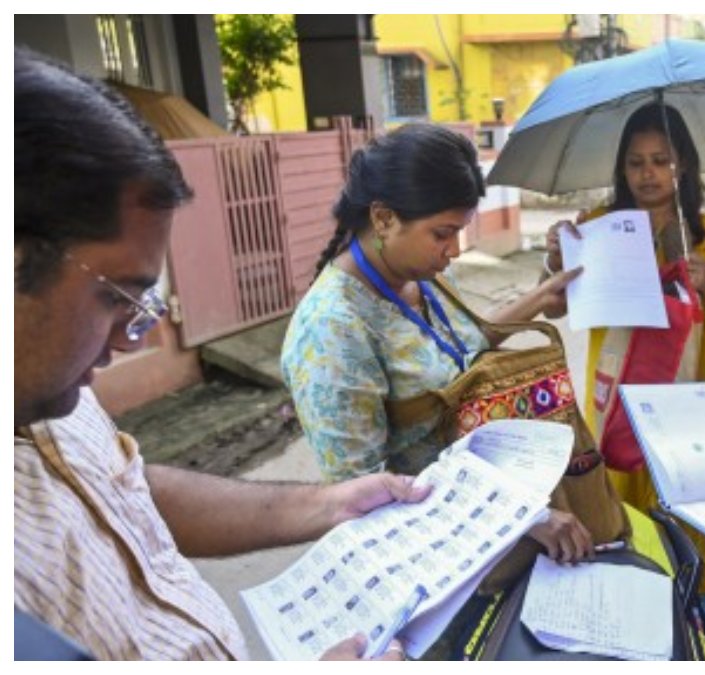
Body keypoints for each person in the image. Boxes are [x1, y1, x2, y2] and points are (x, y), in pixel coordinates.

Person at [13, 47, 428, 661]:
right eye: (115, 297)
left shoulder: (52, 397)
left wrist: (330, 503)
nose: (132, 337)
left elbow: (126, 489)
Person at [281, 124, 595, 571]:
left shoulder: (418, 277)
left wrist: (540, 297)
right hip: (435, 558)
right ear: (383, 219)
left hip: (495, 520)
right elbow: (363, 497)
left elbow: (460, 346)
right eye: (443, 233)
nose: (454, 250)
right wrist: (516, 516)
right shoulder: (333, 332)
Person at [542, 102, 705, 634]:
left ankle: (687, 636)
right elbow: (556, 307)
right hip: (615, 413)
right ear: (622, 168)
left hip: (689, 413)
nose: (648, 174)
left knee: (684, 520)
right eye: (636, 163)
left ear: (684, 165)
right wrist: (555, 259)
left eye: (662, 160)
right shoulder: (597, 228)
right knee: (618, 524)